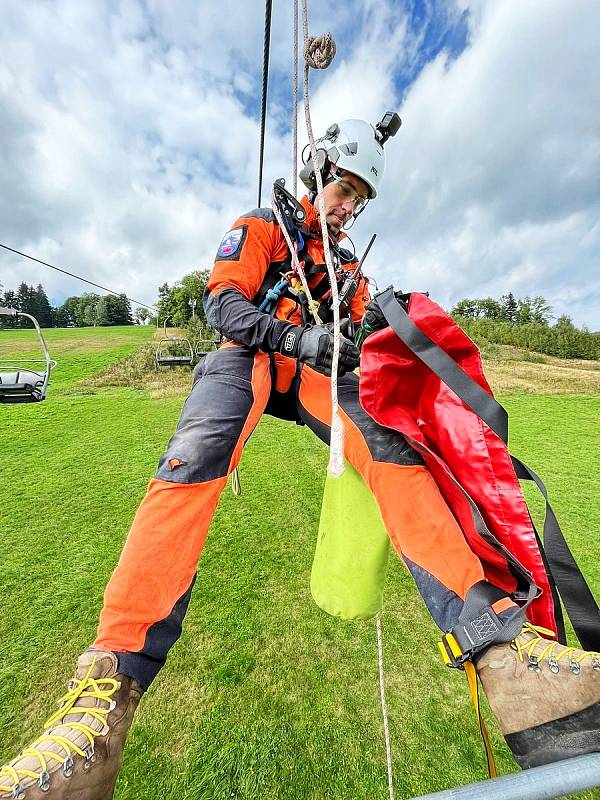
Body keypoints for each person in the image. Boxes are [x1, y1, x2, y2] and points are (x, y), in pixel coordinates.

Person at [1, 116, 598, 800]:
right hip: (251, 353)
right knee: (194, 453)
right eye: (345, 189)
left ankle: (501, 652)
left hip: (317, 369)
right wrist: (295, 337)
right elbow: (224, 307)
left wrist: (380, 321)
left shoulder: (348, 269)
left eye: (360, 200)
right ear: (319, 170)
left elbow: (365, 343)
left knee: (393, 446)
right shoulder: (262, 227)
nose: (349, 207)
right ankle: (105, 698)